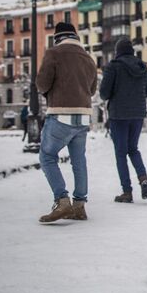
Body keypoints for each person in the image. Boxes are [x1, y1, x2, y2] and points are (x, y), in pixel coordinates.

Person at [35, 22, 98, 223]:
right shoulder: (88, 58)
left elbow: (42, 83)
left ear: (58, 38)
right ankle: (79, 206)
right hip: (83, 116)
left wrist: (49, 91)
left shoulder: (54, 53)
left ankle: (62, 200)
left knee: (47, 156)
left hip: (60, 114)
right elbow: (93, 89)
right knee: (79, 160)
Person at [99, 38, 147, 203]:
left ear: (118, 51)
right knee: (133, 149)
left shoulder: (113, 66)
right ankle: (143, 179)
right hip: (137, 114)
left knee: (121, 153)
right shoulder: (142, 67)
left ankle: (127, 192)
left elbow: (104, 94)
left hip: (118, 115)